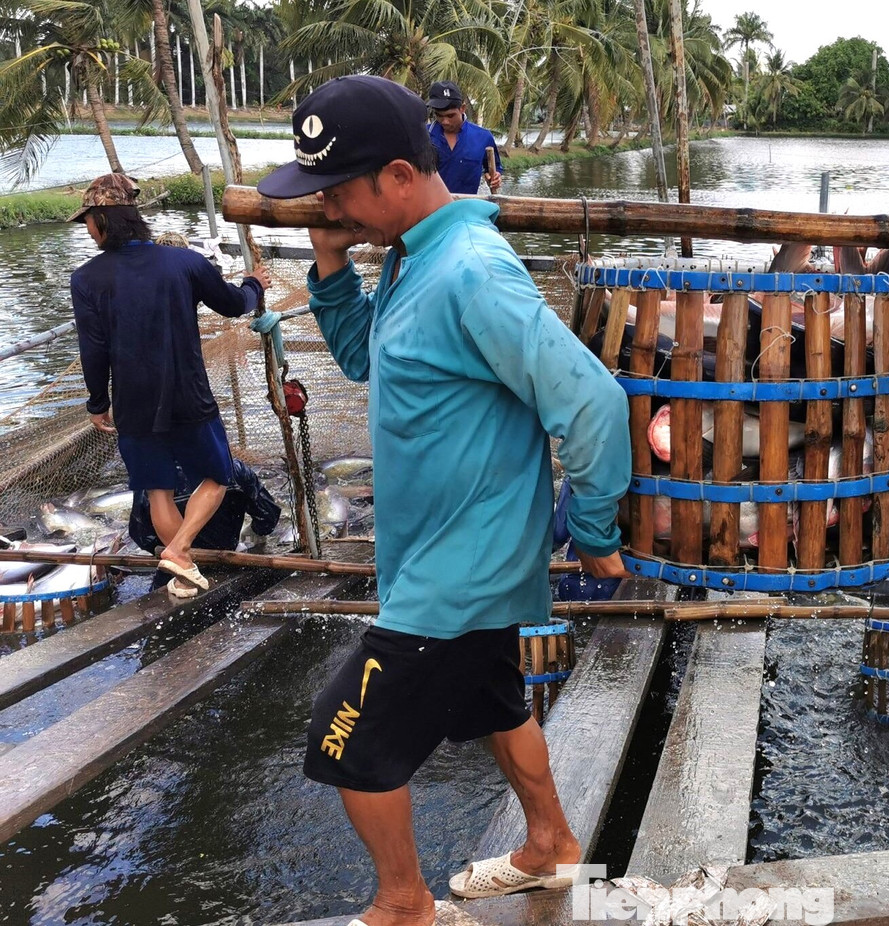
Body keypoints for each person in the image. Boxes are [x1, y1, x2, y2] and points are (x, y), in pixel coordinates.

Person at [256, 75, 631, 925]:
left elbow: (593, 403)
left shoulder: (467, 270)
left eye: (339, 191)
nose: (329, 204)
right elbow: (365, 358)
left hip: (456, 576)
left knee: (344, 744)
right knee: (495, 705)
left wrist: (597, 529)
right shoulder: (410, 255)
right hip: (449, 559)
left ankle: (404, 906)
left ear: (396, 175)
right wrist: (329, 258)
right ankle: (550, 846)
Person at [70, 173, 271, 598]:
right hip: (187, 394)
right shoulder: (185, 263)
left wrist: (97, 402)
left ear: (104, 220)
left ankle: (182, 571)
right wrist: (255, 284)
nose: (87, 230)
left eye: (88, 220)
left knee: (157, 487)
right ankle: (180, 553)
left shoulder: (86, 278)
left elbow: (94, 349)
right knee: (217, 477)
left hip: (133, 402)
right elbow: (236, 303)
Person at [128, 458, 282, 556]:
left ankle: (179, 554)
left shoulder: (150, 480)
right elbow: (268, 515)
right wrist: (255, 531)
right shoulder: (234, 469)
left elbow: (141, 535)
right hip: (227, 555)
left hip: (176, 564)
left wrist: (165, 549)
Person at [425, 80, 503, 195]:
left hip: (466, 207)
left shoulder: (483, 137)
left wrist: (495, 177)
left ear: (462, 108)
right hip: (430, 209)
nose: (445, 121)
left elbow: (493, 168)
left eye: (450, 115)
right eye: (439, 115)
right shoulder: (423, 135)